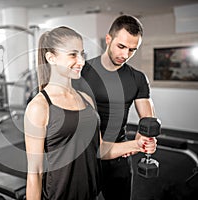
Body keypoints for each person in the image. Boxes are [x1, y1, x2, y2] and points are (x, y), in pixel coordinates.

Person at [24, 26, 156, 200]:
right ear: (51, 58)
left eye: (82, 54)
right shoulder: (39, 107)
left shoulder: (86, 99)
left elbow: (99, 148)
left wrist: (137, 145)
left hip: (90, 194)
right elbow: (35, 173)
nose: (81, 61)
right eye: (73, 54)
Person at [72, 15, 158, 200]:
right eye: (121, 46)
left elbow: (147, 121)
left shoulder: (138, 79)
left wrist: (143, 141)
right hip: (85, 158)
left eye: (132, 50)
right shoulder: (82, 73)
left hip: (120, 157)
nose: (125, 55)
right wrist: (133, 145)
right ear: (108, 39)